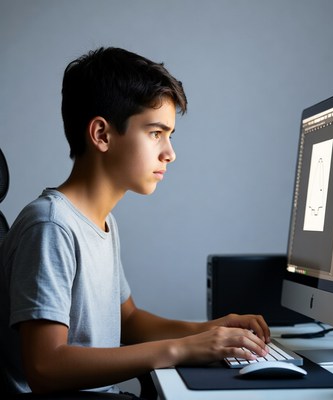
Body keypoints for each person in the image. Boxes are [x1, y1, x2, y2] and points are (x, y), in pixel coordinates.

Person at [0, 47, 270, 398]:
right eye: (156, 133)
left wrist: (208, 330)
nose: (169, 153)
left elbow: (128, 321)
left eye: (169, 135)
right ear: (102, 135)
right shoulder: (51, 227)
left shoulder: (101, 221)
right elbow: (45, 367)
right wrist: (180, 350)